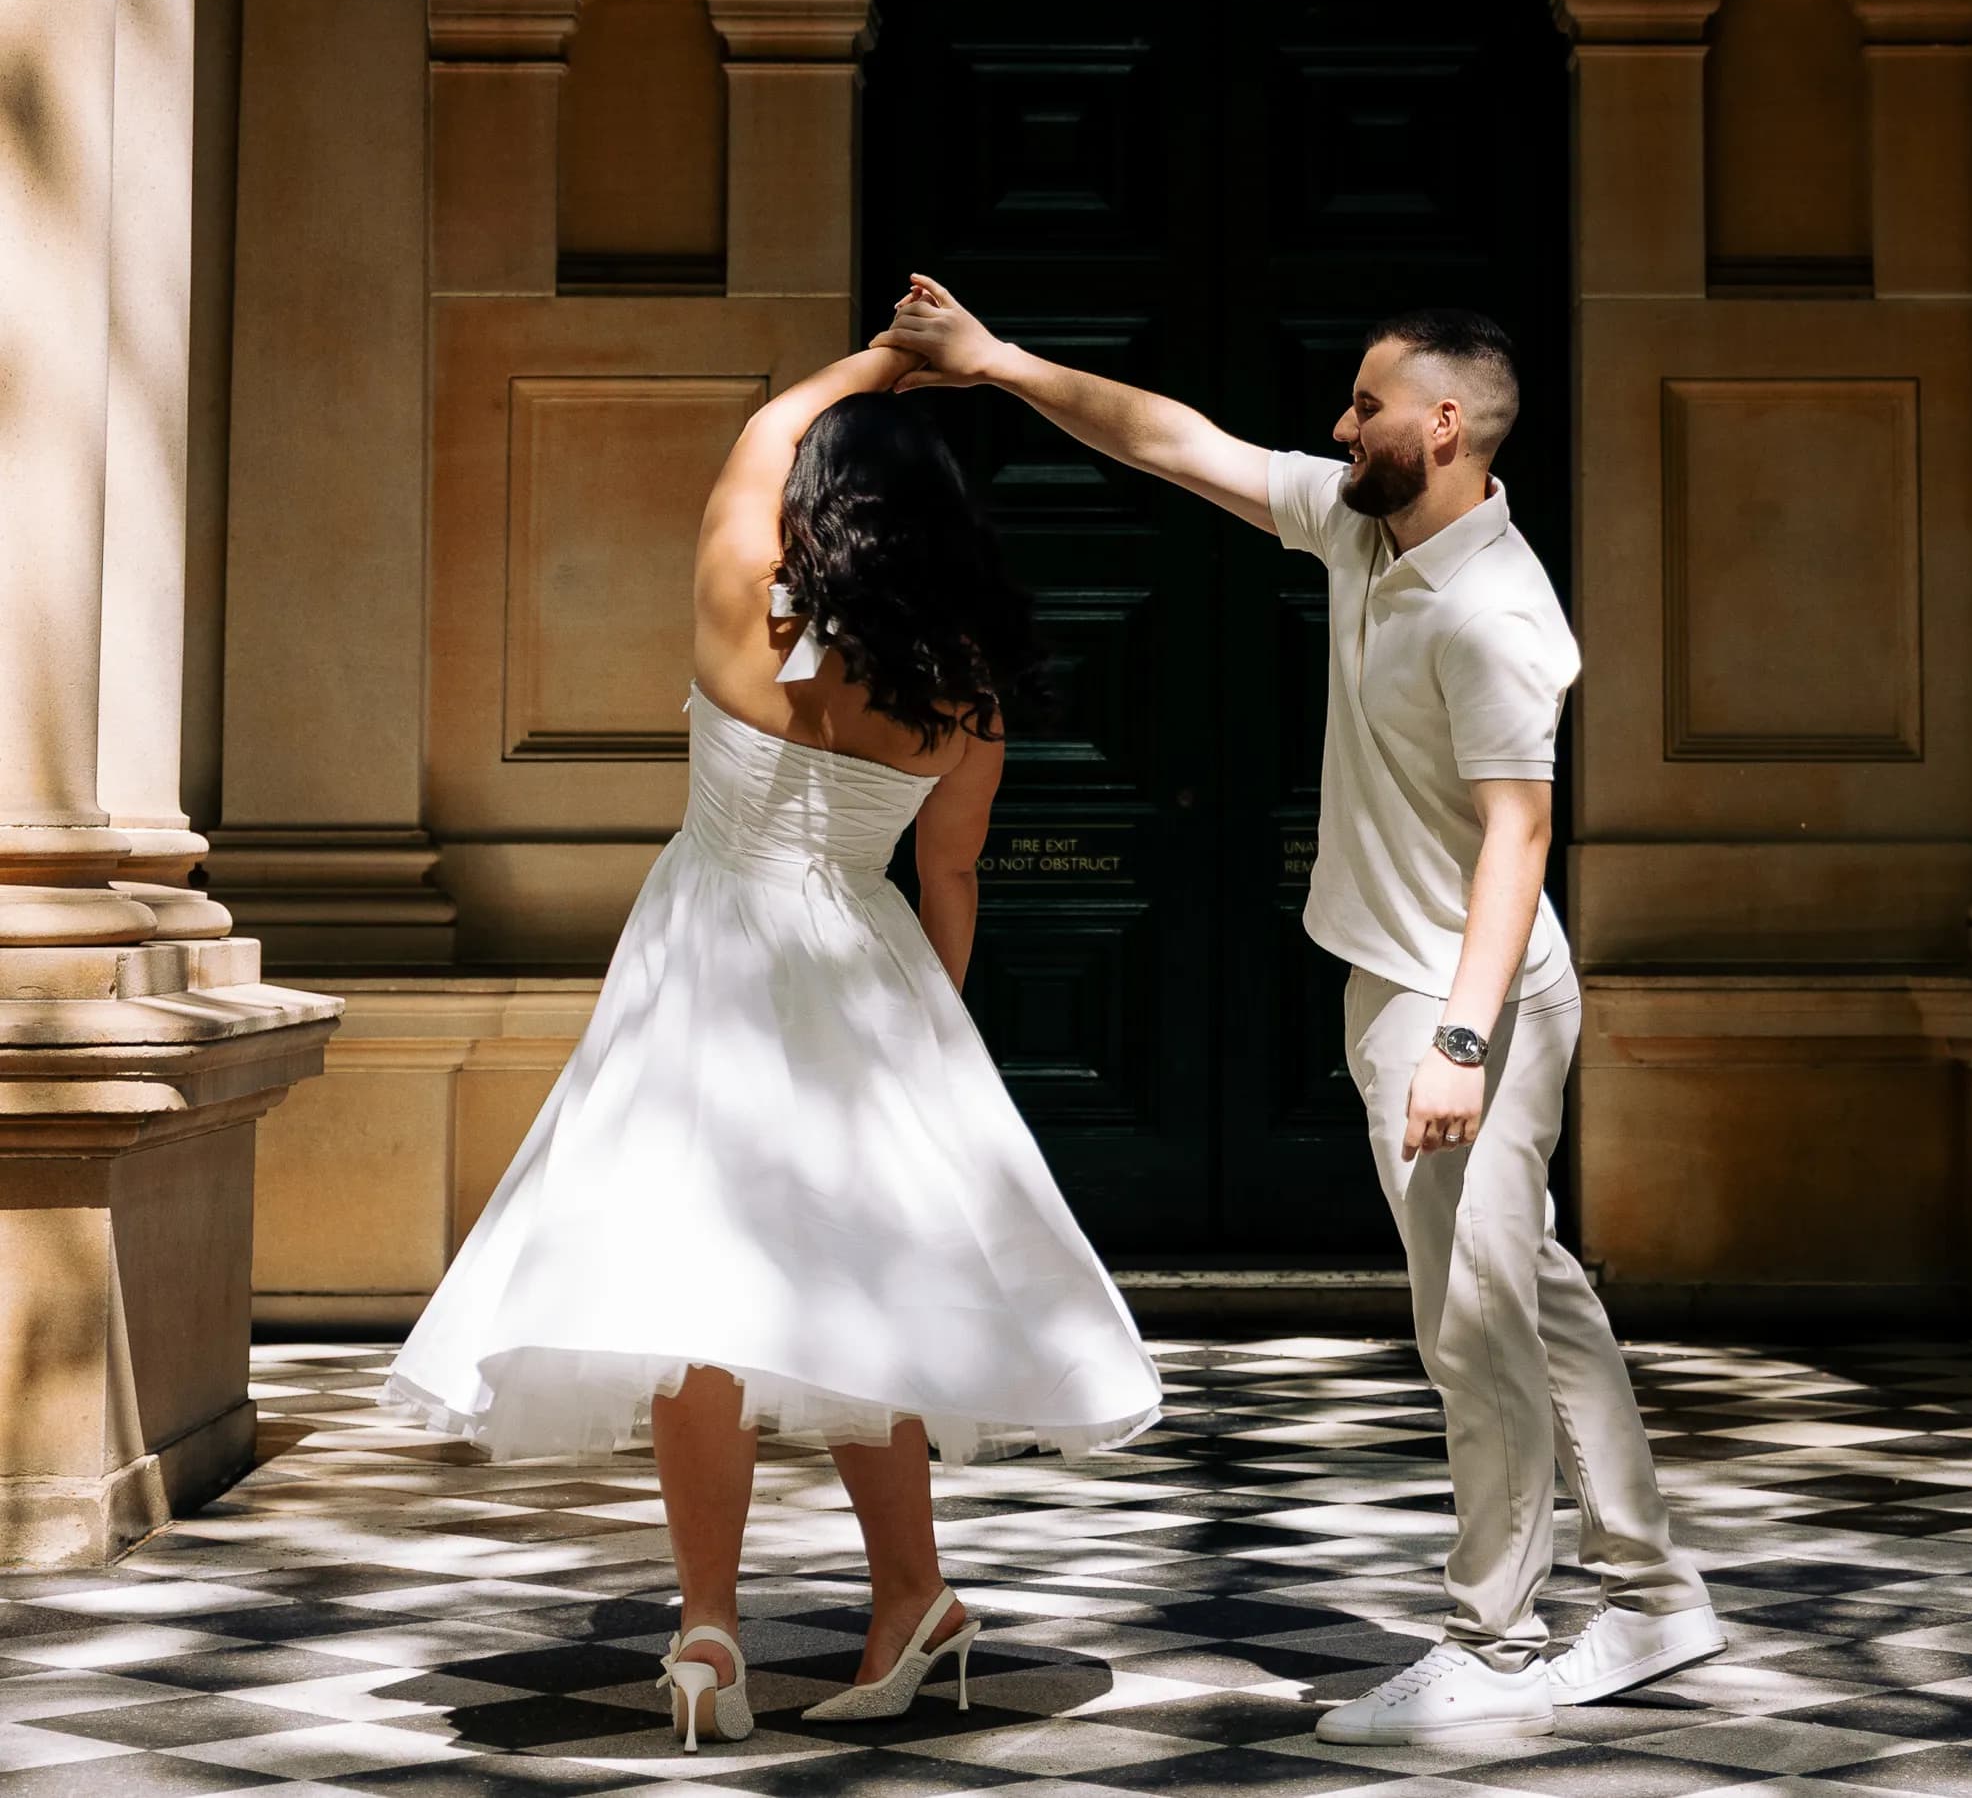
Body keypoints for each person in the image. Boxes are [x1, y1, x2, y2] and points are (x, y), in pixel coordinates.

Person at [878, 278, 1721, 1740]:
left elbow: (1522, 840)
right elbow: (1178, 444)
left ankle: (1495, 1646)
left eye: (1369, 403)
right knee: (1531, 1297)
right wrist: (1000, 361)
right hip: (1397, 981)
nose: (1341, 424)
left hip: (1465, 1001)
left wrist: (1461, 1041)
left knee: (1473, 1322)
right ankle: (1655, 1596)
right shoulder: (1363, 525)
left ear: (1444, 425)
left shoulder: (1496, 613)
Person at [385, 339, 1161, 1750]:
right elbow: (954, 879)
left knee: (701, 1302)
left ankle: (710, 1630)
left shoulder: (742, 606)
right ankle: (913, 1594)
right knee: (857, 1291)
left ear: (821, 512)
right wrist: (931, 1028)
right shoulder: (963, 699)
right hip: (863, 981)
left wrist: (884, 359)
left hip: (704, 978)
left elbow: (762, 427)